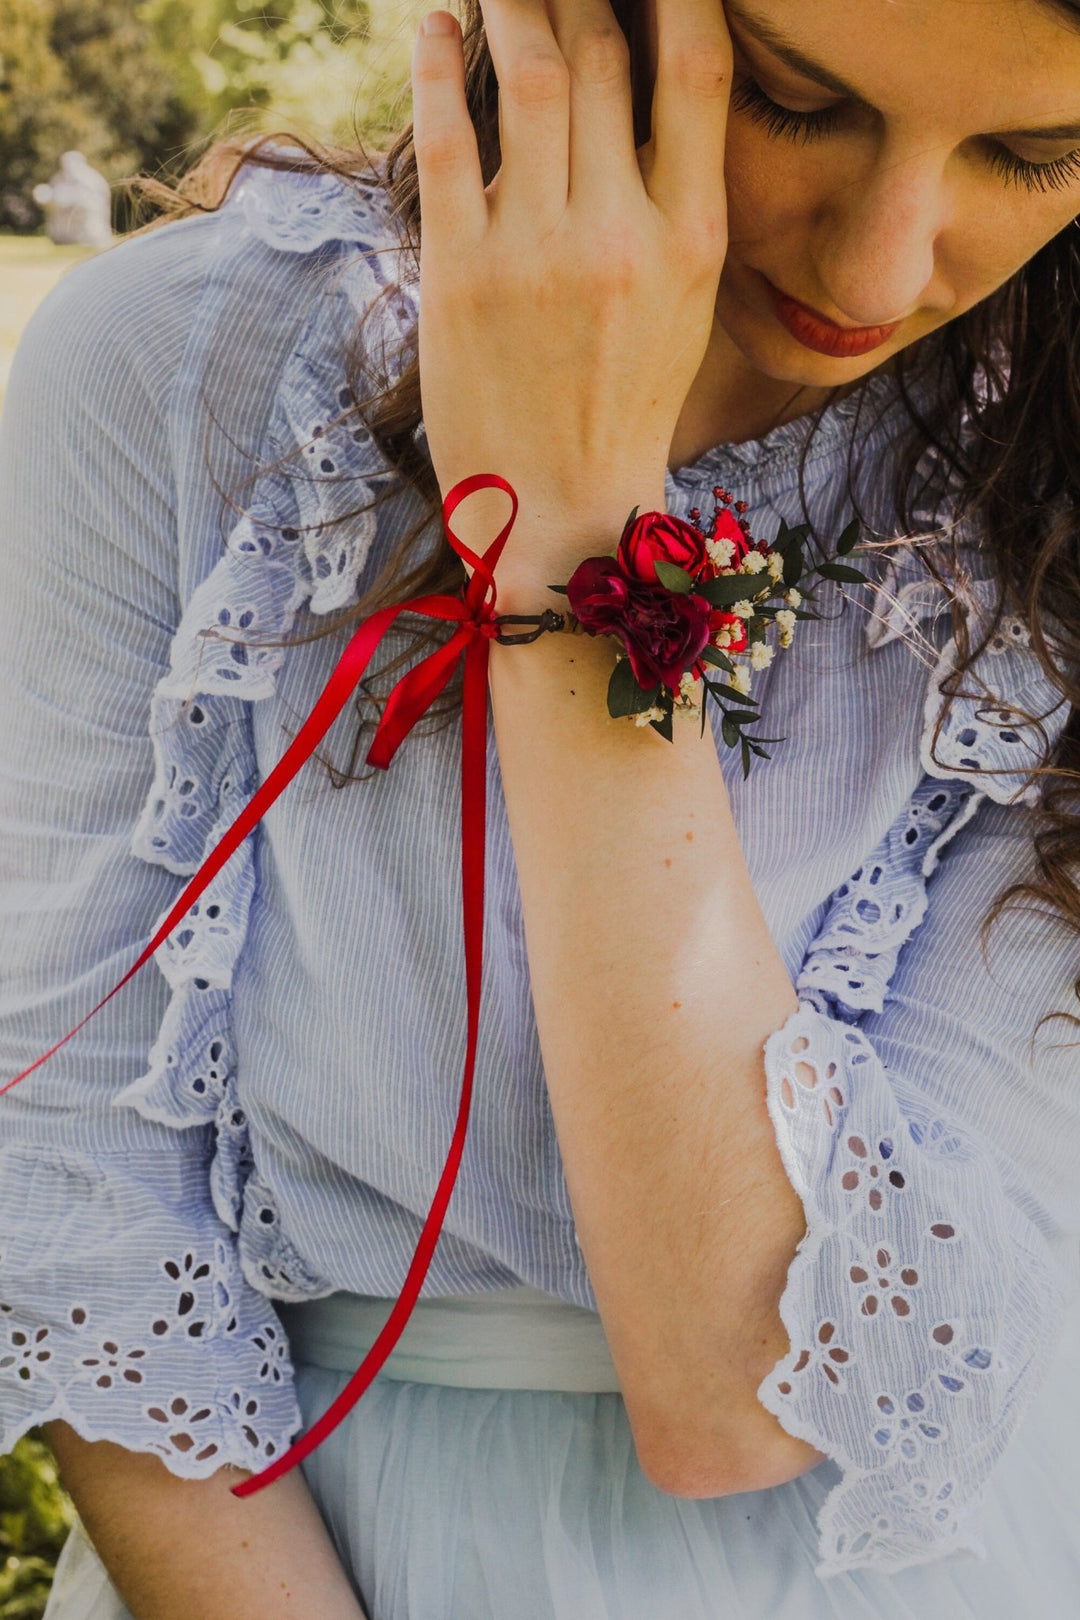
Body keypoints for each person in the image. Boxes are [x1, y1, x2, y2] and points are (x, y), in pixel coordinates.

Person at [1, 0, 1079, 1615]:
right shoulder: (183, 366)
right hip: (277, 1543)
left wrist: (579, 538)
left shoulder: (1044, 507)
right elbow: (69, 1156)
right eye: (795, 103)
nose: (877, 268)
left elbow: (752, 1384)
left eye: (1033, 153)